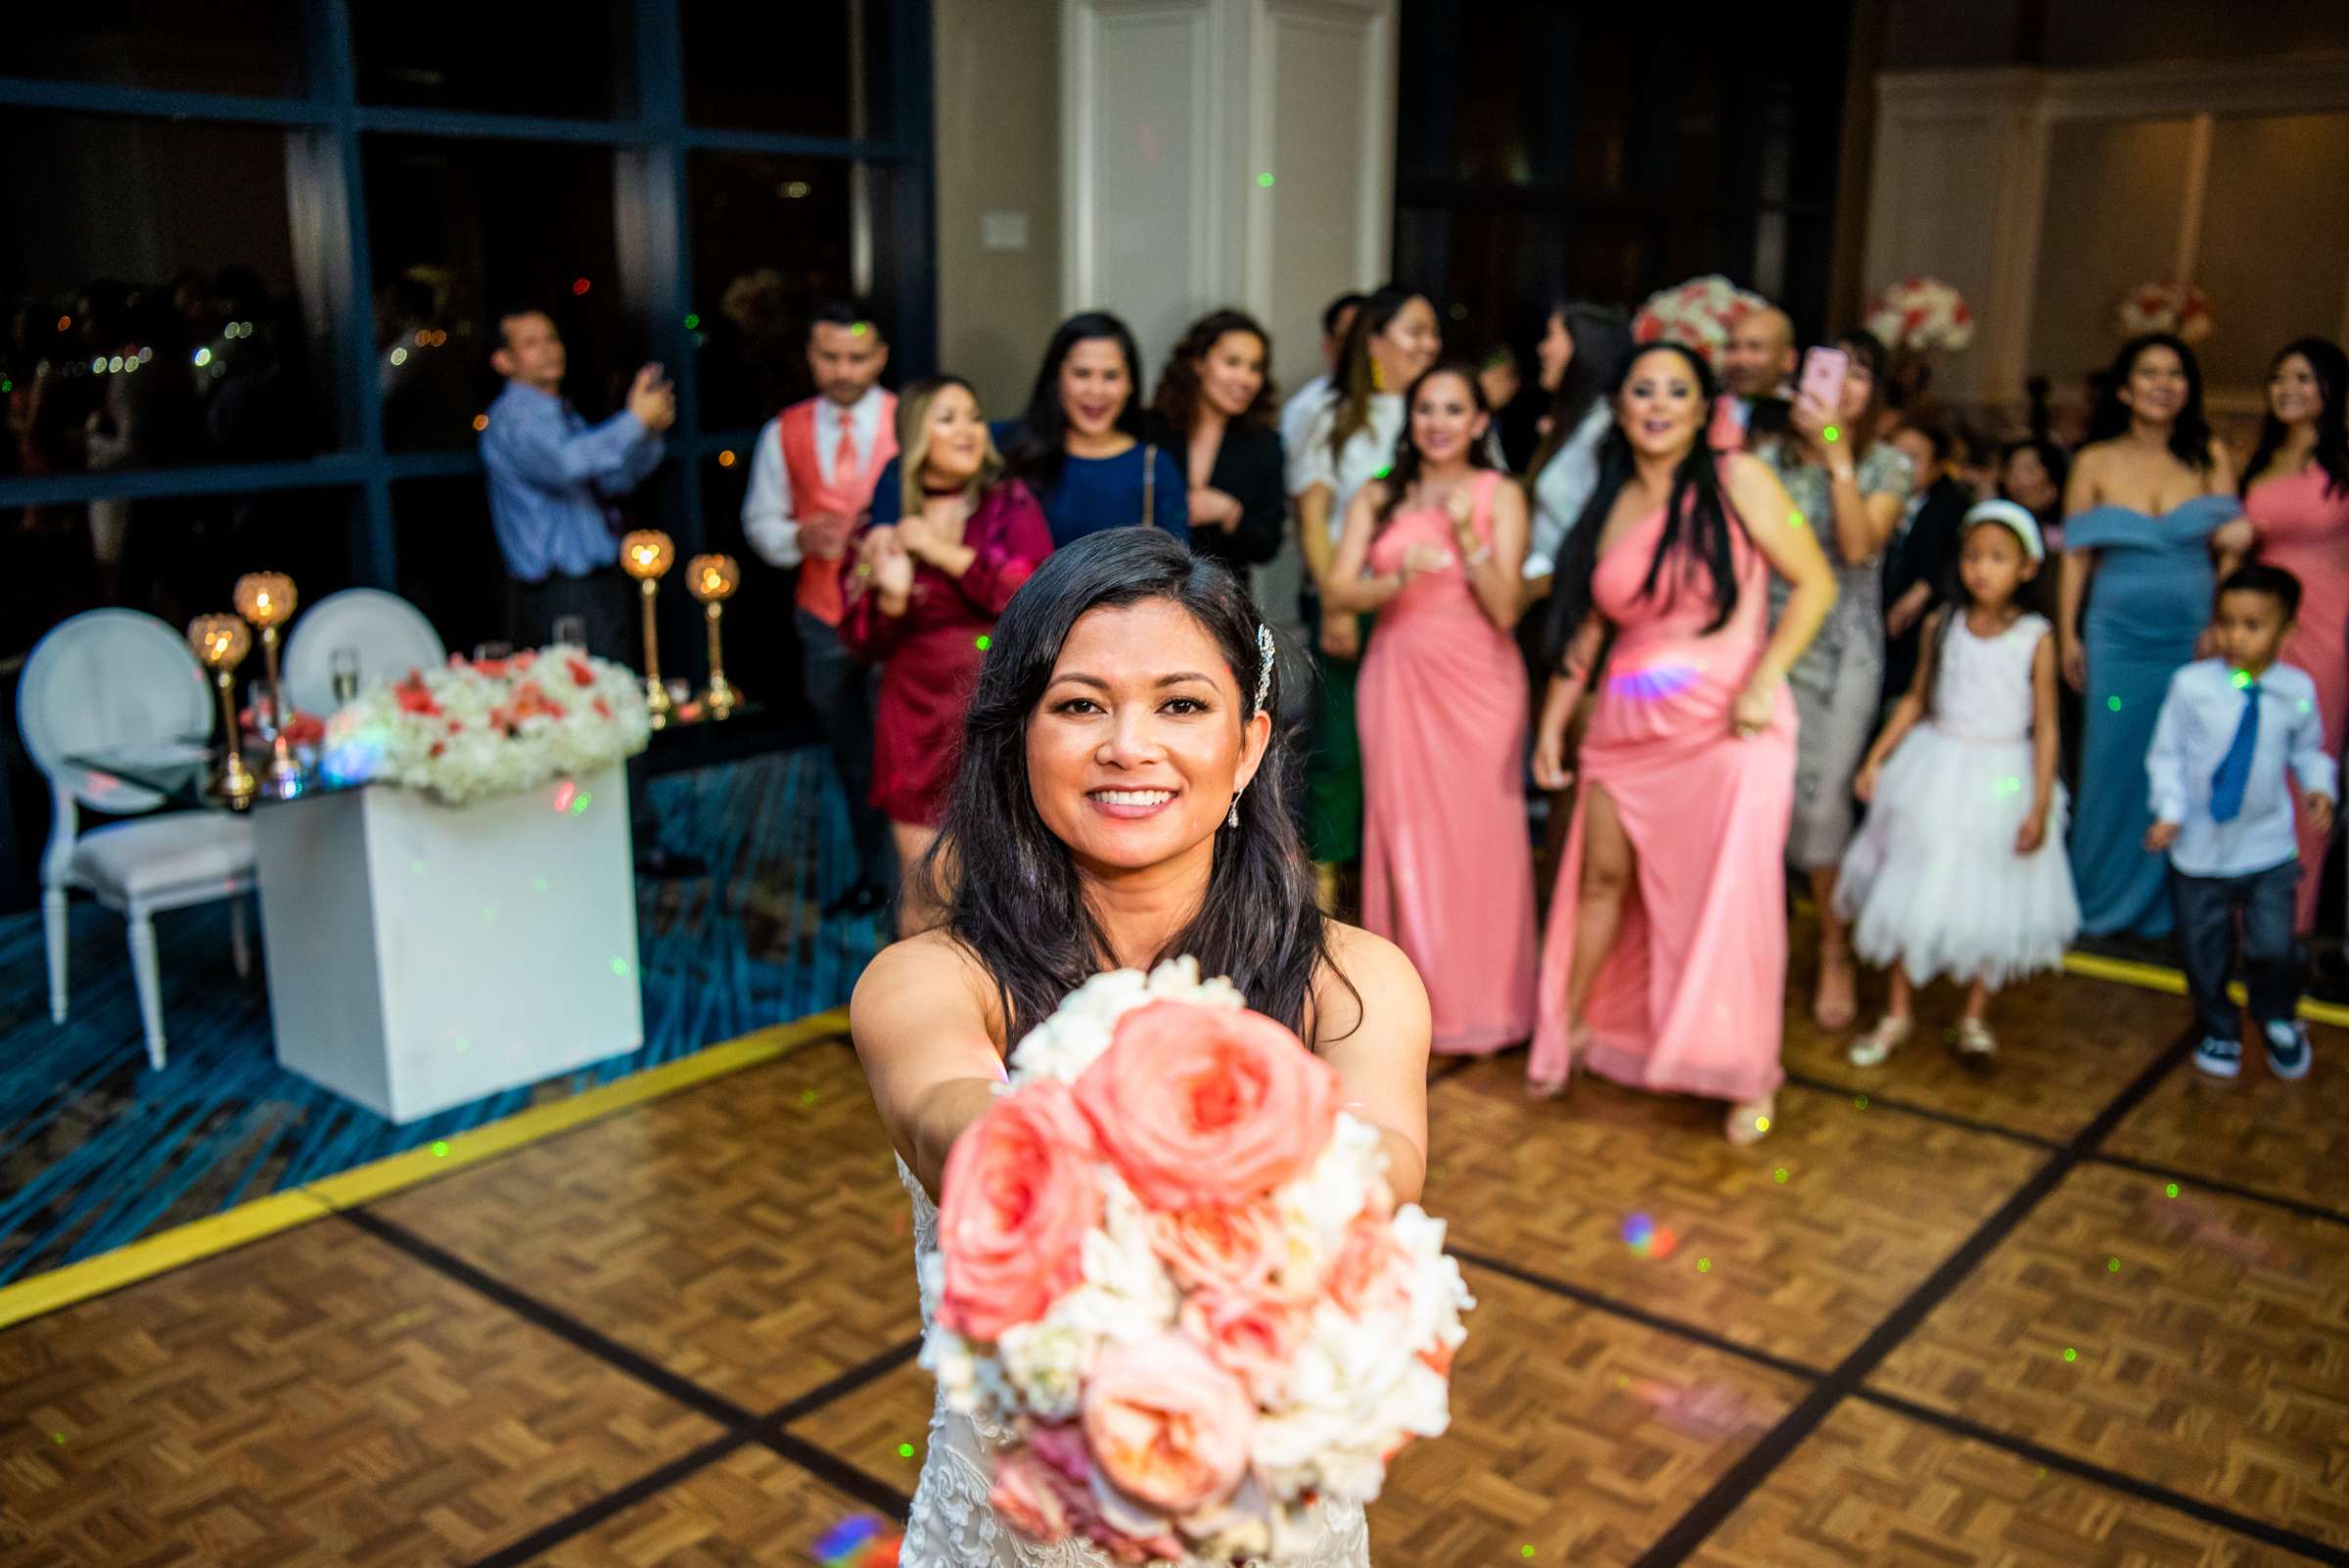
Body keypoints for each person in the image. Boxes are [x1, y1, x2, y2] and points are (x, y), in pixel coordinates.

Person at [851, 528, 1428, 1568]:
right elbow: (950, 1114)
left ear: (1248, 745)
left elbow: (1382, 1165)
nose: (1128, 745)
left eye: (1181, 705)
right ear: (1018, 734)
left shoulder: (1355, 980)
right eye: (1079, 705)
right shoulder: (935, 980)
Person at [1528, 342, 1835, 1142]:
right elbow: (1594, 623)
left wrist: (1766, 680)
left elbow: (1816, 582)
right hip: (1627, 722)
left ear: (1704, 409)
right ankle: (1572, 1029)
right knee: (1599, 878)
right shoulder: (1612, 496)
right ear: (1620, 408)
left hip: (1731, 722)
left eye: (1675, 391)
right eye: (1641, 390)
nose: (1657, 404)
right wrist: (1557, 717)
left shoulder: (1741, 480)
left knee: (1729, 893)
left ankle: (1743, 1071)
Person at [1325, 362, 1536, 1054]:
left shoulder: (1498, 493)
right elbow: (1337, 591)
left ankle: (1484, 1005)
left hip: (1479, 685)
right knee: (1406, 835)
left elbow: (1506, 607)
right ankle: (1412, 1006)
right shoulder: (1380, 495)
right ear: (1409, 421)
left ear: (1479, 422)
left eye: (1454, 409)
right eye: (1425, 409)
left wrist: (1465, 537)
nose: (1437, 422)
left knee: (1480, 841)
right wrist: (1394, 579)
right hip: (1398, 675)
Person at [1839, 500, 2078, 1069]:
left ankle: (1973, 1017)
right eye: (1973, 556)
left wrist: (2040, 802)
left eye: (1997, 558)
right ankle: (1898, 1012)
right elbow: (1919, 699)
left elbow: (2045, 725)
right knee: (1911, 888)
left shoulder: (2036, 637)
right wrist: (1876, 757)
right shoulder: (1940, 624)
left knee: (1991, 897)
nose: (1981, 569)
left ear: (2026, 568)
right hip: (1937, 767)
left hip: (2003, 776)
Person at [840, 378, 1053, 937]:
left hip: (1002, 709)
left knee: (1015, 879)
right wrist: (890, 595)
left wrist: (941, 551)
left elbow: (1036, 597)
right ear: (914, 435)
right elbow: (859, 642)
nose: (967, 430)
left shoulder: (1011, 505)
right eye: (948, 417)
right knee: (927, 879)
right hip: (916, 716)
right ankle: (925, 1012)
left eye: (974, 417)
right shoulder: (878, 531)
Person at [2060, 333, 2240, 940]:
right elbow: (2076, 559)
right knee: (2111, 758)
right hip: (2114, 639)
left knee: (2181, 764)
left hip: (2189, 638)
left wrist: (2221, 623)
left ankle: (2165, 909)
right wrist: (2068, 635)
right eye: (2149, 373)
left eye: (2175, 373)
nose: (2163, 384)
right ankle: (2096, 898)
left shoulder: (2209, 456)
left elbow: (2231, 550)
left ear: (2188, 389)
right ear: (2124, 388)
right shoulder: (2095, 461)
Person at [1756, 329, 1911, 1030]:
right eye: (1828, 371)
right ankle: (1761, 950)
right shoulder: (1762, 460)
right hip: (1765, 647)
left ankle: (1834, 950)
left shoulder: (1886, 466)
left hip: (1842, 658)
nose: (1840, 386)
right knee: (1758, 808)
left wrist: (1836, 455)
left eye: (1857, 375)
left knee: (1821, 815)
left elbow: (1855, 547)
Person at [2145, 564, 2333, 1082]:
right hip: (2199, 849)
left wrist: (2319, 787)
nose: (2234, 636)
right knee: (2203, 950)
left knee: (2274, 943)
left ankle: (2276, 1015)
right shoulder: (2190, 686)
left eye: (2253, 626)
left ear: (2287, 630)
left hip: (2267, 847)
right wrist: (2169, 812)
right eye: (2226, 622)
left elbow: (2309, 750)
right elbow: (2168, 756)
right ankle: (2219, 1027)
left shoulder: (2296, 690)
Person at [743, 300, 899, 919]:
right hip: (824, 616)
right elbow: (760, 520)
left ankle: (924, 884)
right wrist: (797, 538)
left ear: (880, 357)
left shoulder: (908, 421)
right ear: (811, 357)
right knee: (852, 755)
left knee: (908, 755)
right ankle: (873, 875)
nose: (843, 369)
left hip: (899, 620)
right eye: (830, 356)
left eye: (857, 357)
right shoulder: (783, 430)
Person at [1290, 285, 1443, 900]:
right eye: (1415, 330)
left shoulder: (1438, 410)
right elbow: (1313, 518)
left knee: (1411, 759)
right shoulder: (1329, 414)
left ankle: (1400, 900)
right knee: (1341, 754)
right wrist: (1336, 602)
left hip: (1427, 611)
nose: (1428, 344)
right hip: (1351, 603)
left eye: (1434, 332)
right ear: (1375, 339)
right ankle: (1321, 903)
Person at [2211, 338, 2349, 937]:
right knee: (2246, 758)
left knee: (2305, 763)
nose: (2288, 389)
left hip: (2325, 627)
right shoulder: (2258, 458)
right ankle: (2233, 912)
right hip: (2254, 624)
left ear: (2329, 390)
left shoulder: (2343, 459)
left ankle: (2286, 918)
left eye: (2303, 378)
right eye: (2279, 379)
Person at [869, 313, 1186, 549]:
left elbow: (1178, 563)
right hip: (1019, 625)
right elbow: (907, 464)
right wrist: (883, 526)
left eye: (1111, 376)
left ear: (1130, 384)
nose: (1096, 390)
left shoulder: (1154, 467)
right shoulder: (1007, 442)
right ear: (1057, 378)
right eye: (1082, 374)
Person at [480, 305, 674, 663]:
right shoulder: (513, 419)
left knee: (616, 690)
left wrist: (649, 430)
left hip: (599, 581)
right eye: (531, 343)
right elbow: (565, 464)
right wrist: (633, 420)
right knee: (580, 701)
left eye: (552, 338)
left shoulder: (563, 415)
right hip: (558, 590)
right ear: (504, 362)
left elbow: (614, 478)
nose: (549, 349)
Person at [1145, 309, 1288, 572]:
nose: (1245, 379)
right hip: (1144, 587)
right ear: (1198, 363)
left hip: (1222, 598)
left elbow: (1268, 545)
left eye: (1255, 368)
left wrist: (1230, 512)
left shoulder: (1264, 444)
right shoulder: (1149, 429)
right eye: (1232, 362)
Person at [1523, 301, 1635, 592]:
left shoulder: (1604, 432)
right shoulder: (1577, 423)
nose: (1542, 349)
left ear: (1585, 348)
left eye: (1551, 337)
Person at [1881, 419, 1974, 710]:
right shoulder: (1871, 500)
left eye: (1913, 457)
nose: (1901, 465)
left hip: (1921, 633)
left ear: (1937, 466)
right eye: (1894, 454)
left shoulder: (1953, 506)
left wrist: (1922, 589)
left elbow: (1955, 556)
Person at [1278, 291, 1365, 459]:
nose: (1359, 348)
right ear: (1328, 344)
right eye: (1348, 339)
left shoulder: (1401, 398)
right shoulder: (1308, 408)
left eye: (1365, 338)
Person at [1710, 304, 1797, 450]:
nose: (1741, 361)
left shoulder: (1800, 412)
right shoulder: (1709, 411)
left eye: (1755, 347)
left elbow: (1831, 436)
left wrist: (1831, 431)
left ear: (1788, 359)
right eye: (1732, 347)